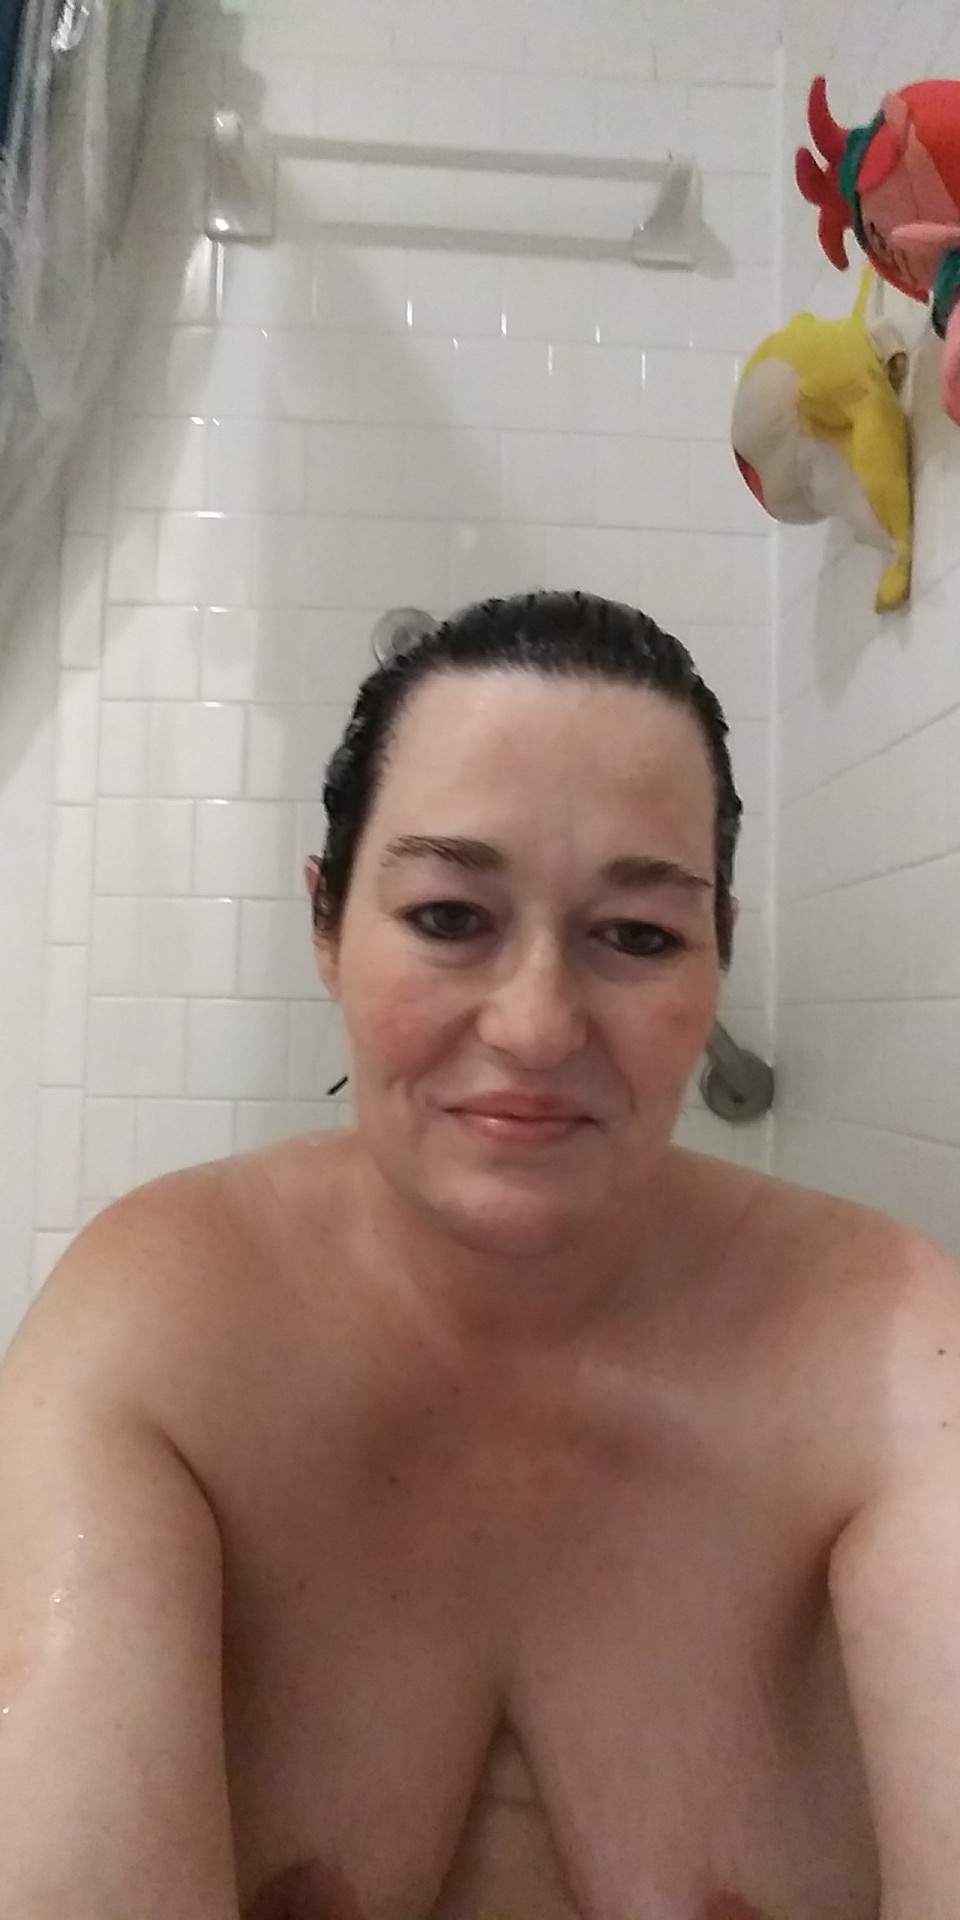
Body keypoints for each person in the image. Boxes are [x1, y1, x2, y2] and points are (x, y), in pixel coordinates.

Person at [0, 590, 958, 1920]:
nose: (537, 1025)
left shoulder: (891, 1359)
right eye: (451, 917)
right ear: (328, 923)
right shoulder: (168, 1333)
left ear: (719, 956)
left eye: (638, 936)